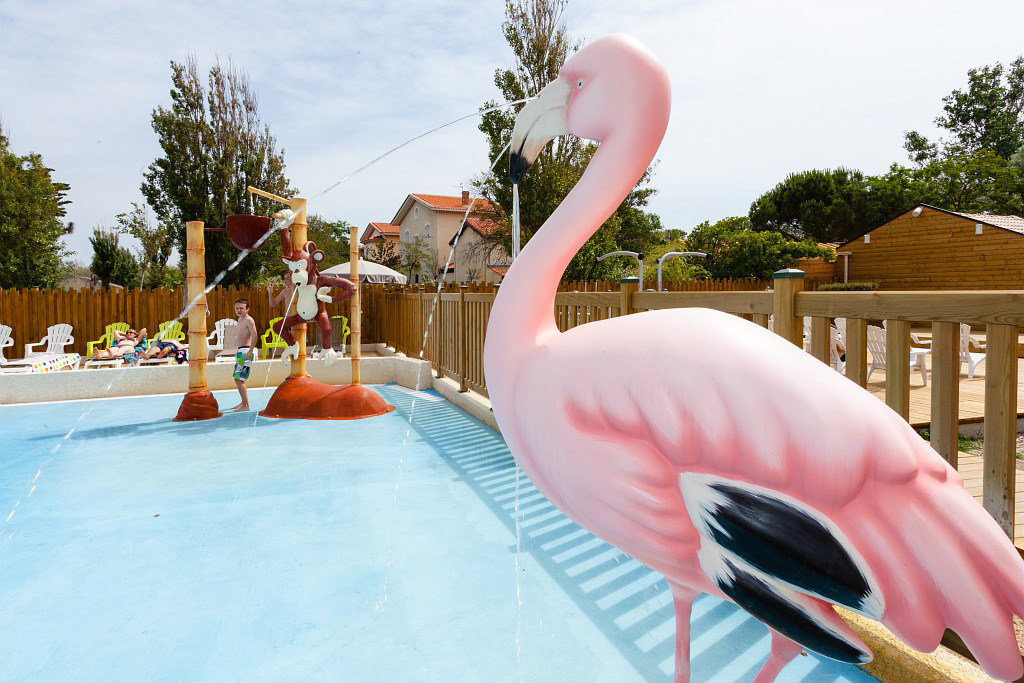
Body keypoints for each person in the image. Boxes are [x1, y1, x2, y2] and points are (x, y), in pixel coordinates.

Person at [231, 298, 258, 411]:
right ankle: (243, 403)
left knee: (239, 379)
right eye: (237, 308)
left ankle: (246, 405)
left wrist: (250, 351)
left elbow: (255, 335)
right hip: (240, 351)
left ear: (247, 309)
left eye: (241, 308)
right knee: (238, 377)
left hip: (245, 351)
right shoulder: (239, 320)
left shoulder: (249, 320)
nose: (239, 310)